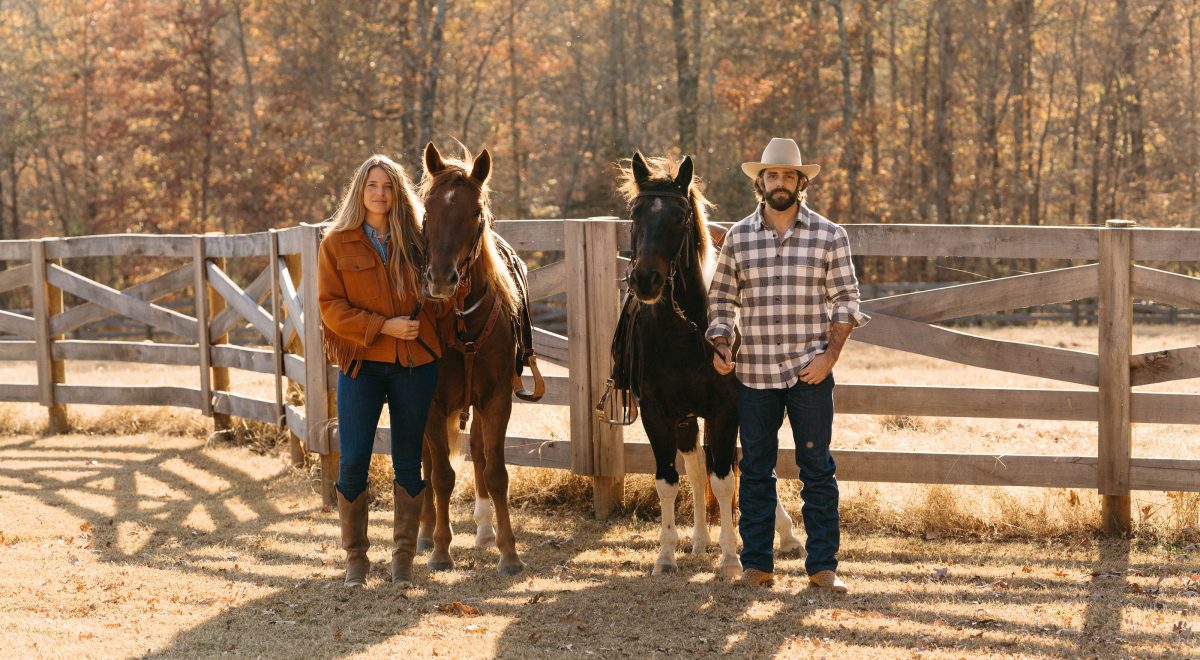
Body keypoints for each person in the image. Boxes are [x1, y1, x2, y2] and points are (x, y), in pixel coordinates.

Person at [706, 137, 869, 592]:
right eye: (772, 175)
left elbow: (847, 299)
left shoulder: (830, 236)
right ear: (761, 182)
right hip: (754, 372)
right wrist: (721, 344)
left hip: (809, 373)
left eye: (788, 176)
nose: (780, 183)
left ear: (801, 183)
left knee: (817, 469)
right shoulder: (738, 237)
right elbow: (721, 300)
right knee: (756, 469)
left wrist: (830, 355)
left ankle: (823, 567)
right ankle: (757, 565)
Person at [318, 154, 448, 587]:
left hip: (415, 364)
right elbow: (331, 309)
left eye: (388, 186)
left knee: (409, 462)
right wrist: (383, 326)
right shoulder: (336, 243)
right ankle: (356, 559)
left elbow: (447, 281)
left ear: (398, 193)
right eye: (372, 185)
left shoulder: (420, 239)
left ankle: (403, 560)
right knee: (353, 460)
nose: (380, 193)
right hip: (362, 365)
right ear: (360, 190)